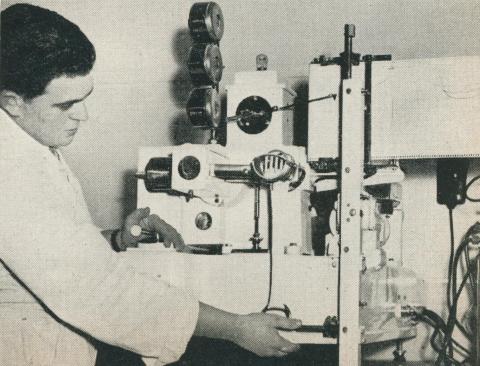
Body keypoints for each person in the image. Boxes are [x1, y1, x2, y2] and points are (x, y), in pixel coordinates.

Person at [0, 3, 302, 366]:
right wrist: (236, 328)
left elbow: (47, 250)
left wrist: (115, 239)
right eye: (66, 105)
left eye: (85, 98)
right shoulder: (10, 168)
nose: (83, 115)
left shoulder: (28, 142)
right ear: (13, 102)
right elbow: (98, 293)